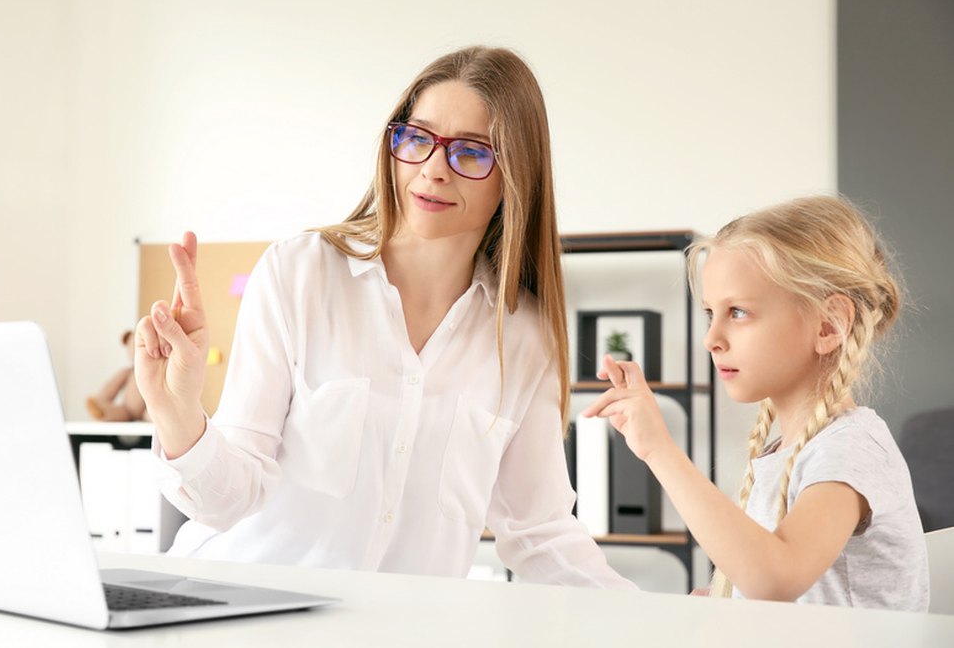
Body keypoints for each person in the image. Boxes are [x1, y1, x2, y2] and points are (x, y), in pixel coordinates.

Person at [133, 46, 634, 588]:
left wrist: (657, 621)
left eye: (471, 152)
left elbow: (540, 532)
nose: (434, 170)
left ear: (515, 177)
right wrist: (176, 412)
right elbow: (228, 502)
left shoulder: (525, 335)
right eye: (418, 139)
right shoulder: (301, 272)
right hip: (233, 608)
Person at [584, 195, 930, 610]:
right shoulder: (790, 450)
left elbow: (775, 578)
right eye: (711, 312)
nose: (711, 338)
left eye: (740, 312)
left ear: (829, 325)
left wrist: (659, 449)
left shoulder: (851, 450)